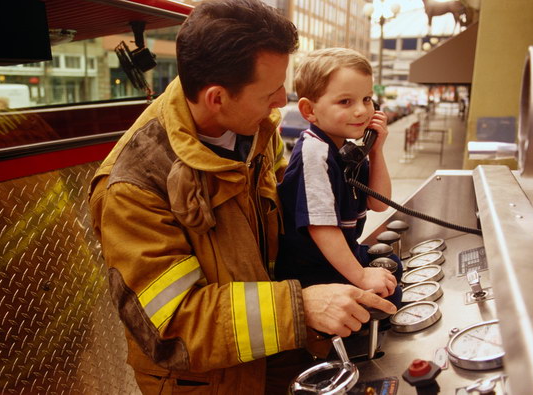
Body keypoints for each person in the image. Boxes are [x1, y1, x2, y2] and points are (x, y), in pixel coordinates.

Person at [88, 2, 396, 394]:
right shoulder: (132, 187)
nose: (281, 102)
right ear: (217, 97)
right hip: (208, 382)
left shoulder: (256, 131)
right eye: (270, 92)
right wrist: (300, 307)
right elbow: (172, 324)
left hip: (273, 355)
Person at [276, 48, 403, 309]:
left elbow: (379, 203)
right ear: (310, 110)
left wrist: (376, 150)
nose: (361, 111)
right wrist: (361, 276)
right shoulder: (314, 153)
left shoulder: (348, 150)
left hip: (340, 254)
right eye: (345, 102)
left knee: (394, 269)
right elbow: (322, 228)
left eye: (367, 99)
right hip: (312, 268)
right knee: (386, 295)